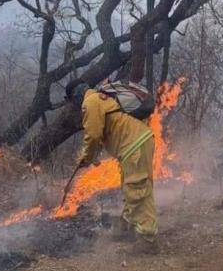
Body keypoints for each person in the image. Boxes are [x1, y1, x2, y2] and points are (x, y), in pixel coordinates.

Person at [65, 78, 159, 254]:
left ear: (76, 95)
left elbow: (92, 135)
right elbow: (101, 133)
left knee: (137, 189)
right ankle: (128, 227)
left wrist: (86, 157)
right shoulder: (100, 98)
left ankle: (148, 240)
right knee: (131, 186)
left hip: (134, 144)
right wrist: (90, 157)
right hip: (135, 143)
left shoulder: (90, 102)